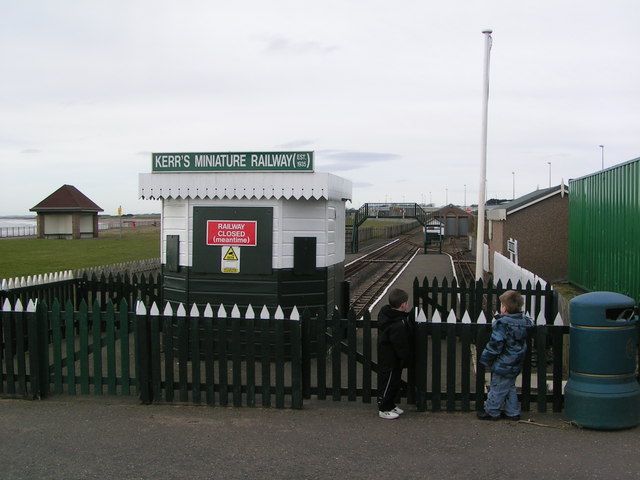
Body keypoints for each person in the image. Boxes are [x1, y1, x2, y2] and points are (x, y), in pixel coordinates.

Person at [477, 290, 533, 421]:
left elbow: (496, 343)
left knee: (497, 387)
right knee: (509, 386)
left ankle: (492, 411)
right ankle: (512, 412)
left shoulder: (503, 324)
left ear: (505, 308)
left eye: (502, 305)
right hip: (517, 360)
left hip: (504, 361)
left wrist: (486, 357)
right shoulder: (524, 323)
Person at [377, 288, 413, 420]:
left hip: (390, 357)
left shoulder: (389, 316)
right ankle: (384, 407)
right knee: (389, 383)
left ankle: (390, 404)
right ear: (403, 304)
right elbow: (400, 344)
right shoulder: (397, 324)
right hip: (391, 358)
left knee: (394, 382)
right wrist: (405, 357)